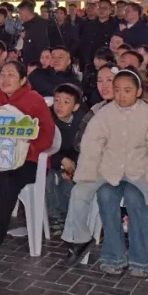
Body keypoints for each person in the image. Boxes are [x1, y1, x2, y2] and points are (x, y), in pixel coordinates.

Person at [74, 69, 148, 276]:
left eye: (127, 90)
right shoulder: (103, 113)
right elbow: (91, 144)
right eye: (117, 90)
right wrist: (88, 172)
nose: (121, 95)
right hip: (110, 171)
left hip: (140, 172)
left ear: (138, 92)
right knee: (103, 194)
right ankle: (109, 254)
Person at [0, 61, 55, 259]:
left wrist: (25, 149)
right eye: (3, 74)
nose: (5, 79)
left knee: (7, 181)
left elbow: (47, 136)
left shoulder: (35, 101)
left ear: (23, 80)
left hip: (26, 161)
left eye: (11, 75)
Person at [45, 83, 83, 237]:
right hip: (47, 162)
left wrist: (71, 165)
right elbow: (42, 148)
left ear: (75, 107)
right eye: (57, 100)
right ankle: (53, 216)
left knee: (68, 181)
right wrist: (60, 161)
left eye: (66, 102)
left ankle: (67, 215)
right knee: (50, 180)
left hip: (69, 162)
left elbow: (78, 147)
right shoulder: (46, 118)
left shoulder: (80, 121)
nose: (59, 106)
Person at [17, 0, 51, 68]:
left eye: (20, 13)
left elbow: (41, 49)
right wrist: (22, 52)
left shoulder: (40, 25)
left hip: (37, 67)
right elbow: (31, 45)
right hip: (29, 65)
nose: (19, 16)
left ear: (25, 11)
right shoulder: (28, 26)